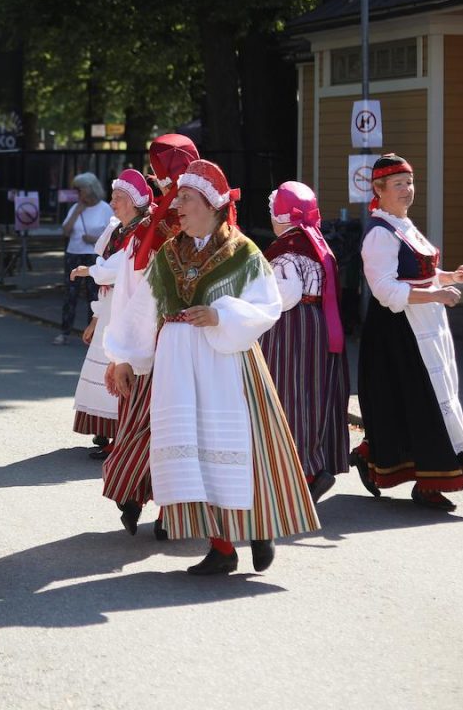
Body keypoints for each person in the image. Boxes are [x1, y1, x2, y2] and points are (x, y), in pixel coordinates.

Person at [103, 159, 319, 575]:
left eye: (186, 198)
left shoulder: (243, 252)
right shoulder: (169, 254)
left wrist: (221, 316)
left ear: (213, 204)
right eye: (178, 198)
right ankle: (221, 547)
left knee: (245, 446)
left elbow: (267, 304)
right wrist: (124, 357)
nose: (177, 206)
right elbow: (142, 309)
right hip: (178, 367)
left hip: (228, 362)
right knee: (196, 452)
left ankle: (259, 529)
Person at [353, 153, 463, 511]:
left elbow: (419, 273)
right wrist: (436, 294)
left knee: (418, 402)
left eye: (409, 183)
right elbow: (385, 291)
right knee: (420, 403)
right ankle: (428, 482)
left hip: (423, 326)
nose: (407, 190)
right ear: (379, 189)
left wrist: (450, 277)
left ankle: (373, 457)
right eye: (398, 184)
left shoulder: (403, 225)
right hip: (397, 333)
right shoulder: (379, 234)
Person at [102, 133, 199, 538]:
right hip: (177, 339)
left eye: (160, 171)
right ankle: (159, 507)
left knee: (154, 423)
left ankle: (144, 499)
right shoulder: (164, 224)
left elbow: (134, 289)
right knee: (172, 425)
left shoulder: (157, 226)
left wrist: (121, 349)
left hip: (165, 337)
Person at [258, 181, 349, 503]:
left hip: (292, 328)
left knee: (290, 393)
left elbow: (284, 296)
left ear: (280, 216)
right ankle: (315, 462)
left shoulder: (286, 250)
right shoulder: (318, 245)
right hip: (320, 325)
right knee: (313, 394)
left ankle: (304, 471)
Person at [68, 169, 150, 459]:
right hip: (111, 304)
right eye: (113, 197)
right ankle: (108, 431)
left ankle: (121, 436)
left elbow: (116, 269)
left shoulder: (143, 230)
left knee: (118, 367)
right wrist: (95, 317)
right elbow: (108, 270)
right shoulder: (118, 229)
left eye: (119, 198)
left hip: (128, 306)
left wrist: (89, 271)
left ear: (135, 201)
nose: (113, 203)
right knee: (104, 366)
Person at [54, 173, 113, 346]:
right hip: (74, 253)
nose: (77, 194)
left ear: (89, 189)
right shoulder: (76, 208)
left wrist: (94, 239)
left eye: (79, 190)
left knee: (93, 295)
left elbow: (112, 235)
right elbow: (65, 230)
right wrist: (76, 212)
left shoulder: (104, 209)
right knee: (70, 294)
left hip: (93, 255)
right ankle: (64, 331)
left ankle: (92, 333)